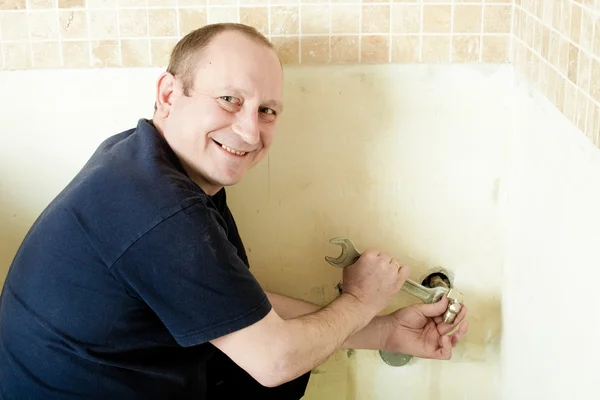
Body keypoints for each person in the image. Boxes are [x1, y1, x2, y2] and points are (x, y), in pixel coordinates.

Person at [0, 23, 468, 399]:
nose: (249, 131)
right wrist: (361, 301)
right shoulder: (158, 209)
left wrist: (384, 331)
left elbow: (236, 304)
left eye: (267, 110)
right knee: (284, 369)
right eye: (230, 100)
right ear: (168, 94)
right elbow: (273, 360)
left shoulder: (140, 160)